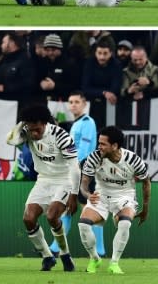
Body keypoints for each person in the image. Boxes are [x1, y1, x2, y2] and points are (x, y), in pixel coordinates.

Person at [7, 103, 80, 272]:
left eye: (36, 129)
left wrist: (74, 196)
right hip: (43, 180)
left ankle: (65, 254)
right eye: (30, 128)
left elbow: (75, 168)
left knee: (52, 216)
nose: (33, 133)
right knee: (28, 219)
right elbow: (10, 140)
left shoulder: (61, 137)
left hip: (64, 180)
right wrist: (21, 124)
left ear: (45, 123)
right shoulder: (27, 132)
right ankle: (47, 257)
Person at [78, 125, 151, 275]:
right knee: (83, 225)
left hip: (125, 196)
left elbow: (146, 182)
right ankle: (94, 258)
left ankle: (114, 263)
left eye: (103, 144)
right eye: (99, 143)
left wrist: (145, 208)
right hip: (101, 195)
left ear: (115, 146)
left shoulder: (132, 159)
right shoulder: (94, 157)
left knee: (124, 223)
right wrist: (87, 195)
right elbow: (83, 184)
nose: (99, 147)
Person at [50, 90, 105, 257]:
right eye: (71, 102)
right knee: (68, 208)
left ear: (84, 104)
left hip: (83, 170)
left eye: (76, 102)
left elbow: (85, 150)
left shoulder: (88, 122)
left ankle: (100, 250)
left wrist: (72, 166)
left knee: (89, 210)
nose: (73, 105)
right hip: (74, 170)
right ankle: (54, 248)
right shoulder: (76, 123)